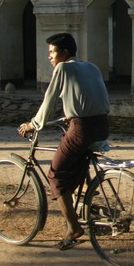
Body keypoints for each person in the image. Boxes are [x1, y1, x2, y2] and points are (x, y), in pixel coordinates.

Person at [18, 32, 110, 250]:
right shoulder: (92, 67)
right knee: (73, 159)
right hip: (102, 125)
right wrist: (72, 114)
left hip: (81, 129)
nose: (50, 57)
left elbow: (49, 101)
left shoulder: (63, 68)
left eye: (52, 52)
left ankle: (73, 228)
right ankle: (83, 198)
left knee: (56, 175)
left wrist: (33, 124)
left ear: (65, 53)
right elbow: (94, 98)